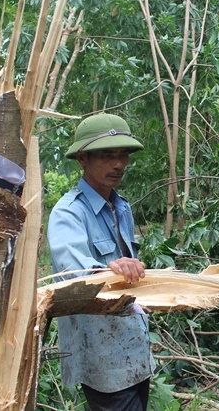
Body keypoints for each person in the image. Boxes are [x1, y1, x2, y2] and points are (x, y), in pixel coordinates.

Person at [47, 112, 153, 411]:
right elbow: (73, 272)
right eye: (107, 156)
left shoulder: (122, 206)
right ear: (82, 159)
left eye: (123, 156)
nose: (118, 164)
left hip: (134, 346)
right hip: (101, 357)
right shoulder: (68, 213)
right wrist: (110, 269)